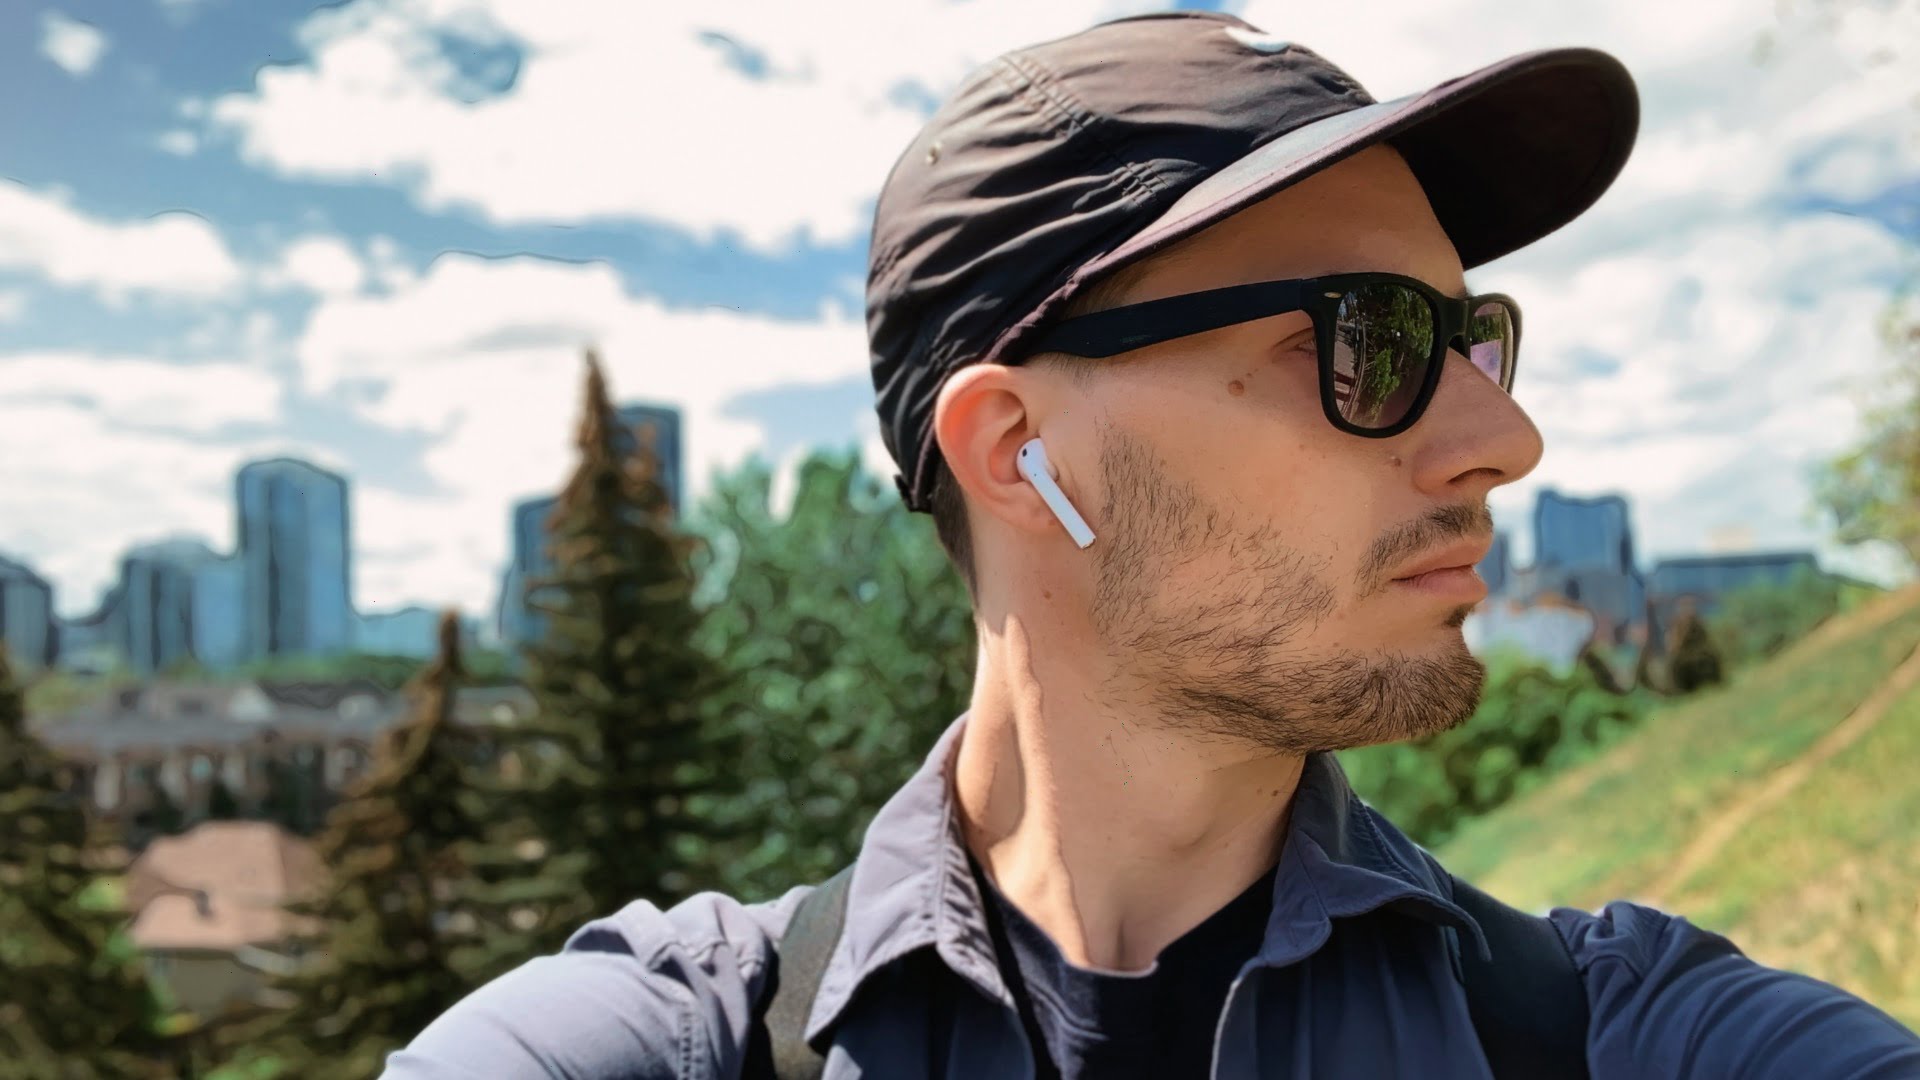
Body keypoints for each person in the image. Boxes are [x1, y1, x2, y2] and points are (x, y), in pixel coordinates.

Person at [383, 11, 1920, 1078]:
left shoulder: (1612, 1033)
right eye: (1372, 341)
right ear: (1017, 452)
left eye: (1473, 338)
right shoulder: (663, 1047)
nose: (1504, 441)